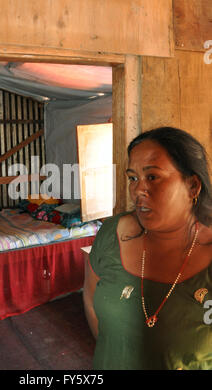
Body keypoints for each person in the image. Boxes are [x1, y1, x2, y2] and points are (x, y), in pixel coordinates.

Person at [83, 127, 212, 370]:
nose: (138, 190)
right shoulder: (112, 234)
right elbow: (91, 299)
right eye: (133, 178)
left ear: (193, 186)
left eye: (152, 177)